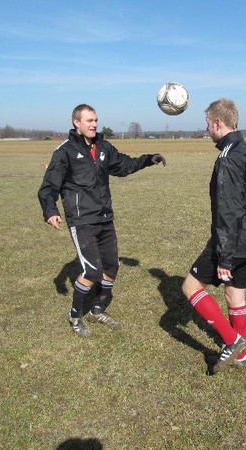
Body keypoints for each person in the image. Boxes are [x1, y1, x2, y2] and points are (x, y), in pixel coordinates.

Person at [38, 103, 166, 337]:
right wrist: (50, 211)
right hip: (82, 220)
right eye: (89, 120)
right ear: (76, 122)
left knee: (111, 266)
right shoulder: (65, 152)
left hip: (105, 217)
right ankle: (75, 315)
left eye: (95, 120)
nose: (94, 124)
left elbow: (124, 165)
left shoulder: (103, 147)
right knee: (92, 271)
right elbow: (48, 186)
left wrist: (149, 159)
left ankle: (97, 310)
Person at [181, 98, 246, 374]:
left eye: (207, 123)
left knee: (190, 287)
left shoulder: (228, 158)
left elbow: (228, 210)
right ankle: (241, 356)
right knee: (234, 296)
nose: (207, 129)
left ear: (218, 122)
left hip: (231, 242)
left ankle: (232, 341)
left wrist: (225, 257)